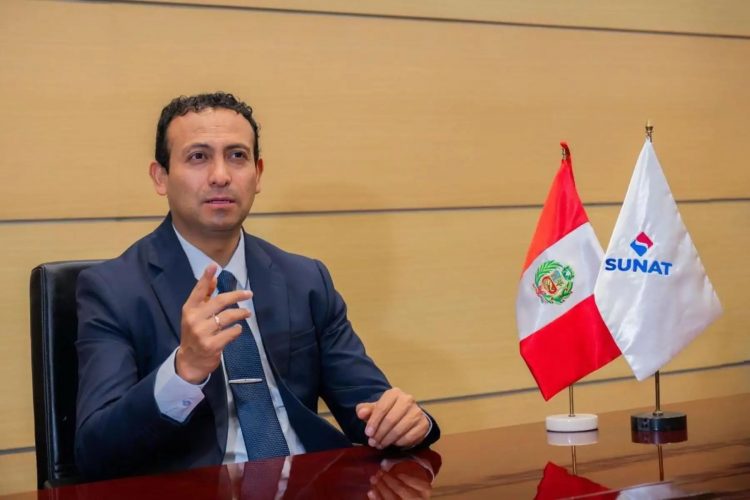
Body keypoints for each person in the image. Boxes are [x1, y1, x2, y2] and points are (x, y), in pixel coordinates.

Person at [74, 92, 439, 480]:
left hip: (311, 483)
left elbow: (368, 407)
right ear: (160, 177)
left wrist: (406, 421)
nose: (220, 175)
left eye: (237, 156)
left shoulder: (305, 279)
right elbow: (96, 453)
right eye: (198, 156)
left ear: (258, 174)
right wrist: (184, 371)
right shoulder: (113, 289)